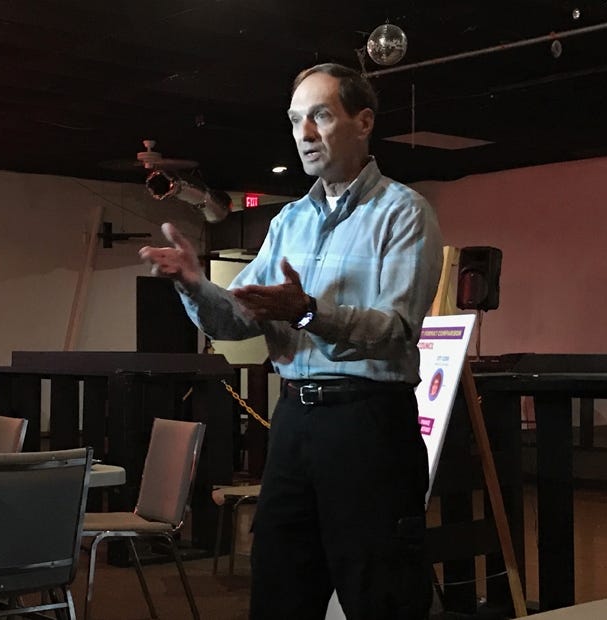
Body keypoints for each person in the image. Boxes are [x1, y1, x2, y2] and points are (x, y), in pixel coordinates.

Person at [140, 63, 442, 620]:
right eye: (296, 119)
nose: (304, 133)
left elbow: (395, 329)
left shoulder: (404, 213)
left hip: (368, 426)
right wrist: (195, 284)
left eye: (321, 116)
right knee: (280, 589)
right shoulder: (287, 222)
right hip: (294, 427)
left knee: (380, 593)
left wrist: (307, 314)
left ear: (363, 121)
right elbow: (237, 321)